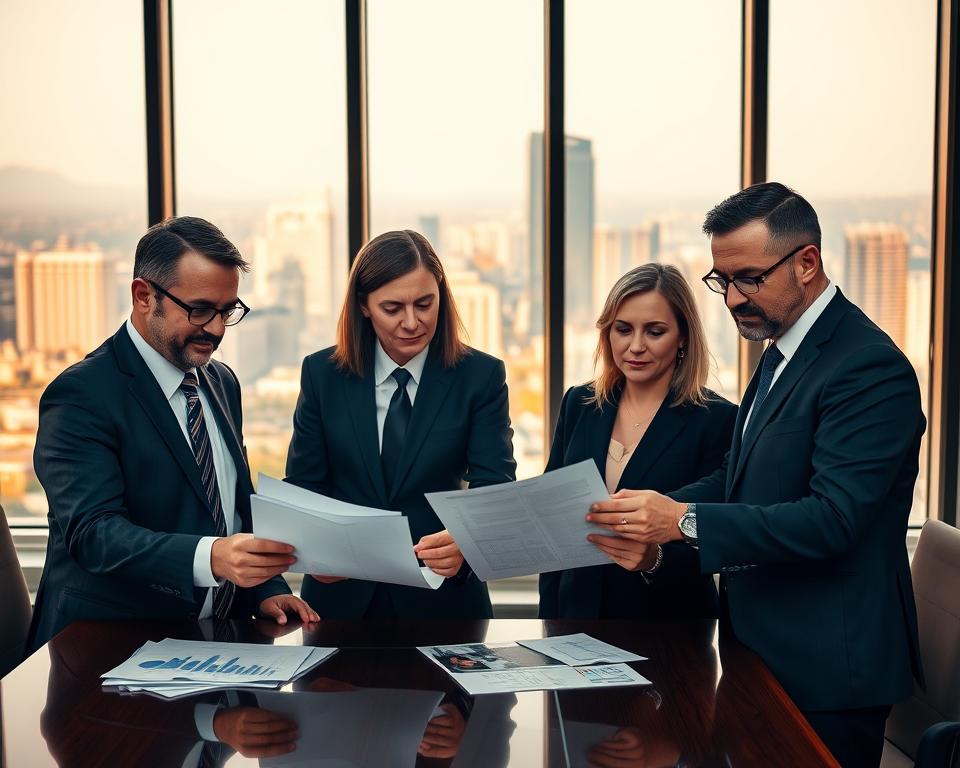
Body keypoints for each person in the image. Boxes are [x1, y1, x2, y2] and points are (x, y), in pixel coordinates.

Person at [585, 183, 925, 768]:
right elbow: (738, 478)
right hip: (761, 652)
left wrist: (683, 521)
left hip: (827, 672)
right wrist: (651, 518)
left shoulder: (869, 367)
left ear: (807, 263)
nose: (733, 298)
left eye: (749, 278)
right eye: (722, 281)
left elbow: (834, 520)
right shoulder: (781, 349)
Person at [27, 217, 317, 651]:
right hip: (106, 658)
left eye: (228, 310)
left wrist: (265, 587)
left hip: (217, 648)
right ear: (144, 296)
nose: (217, 329)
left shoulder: (221, 382)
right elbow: (94, 535)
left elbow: (229, 508)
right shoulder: (80, 395)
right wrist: (211, 557)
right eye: (200, 309)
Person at [285, 229, 516, 618]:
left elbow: (494, 487)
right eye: (392, 308)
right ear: (363, 305)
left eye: (425, 304)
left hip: (444, 600)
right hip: (339, 603)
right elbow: (305, 487)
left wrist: (465, 541)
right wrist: (315, 553)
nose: (412, 322)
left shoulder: (481, 376)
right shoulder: (322, 374)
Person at [539, 264, 736, 619]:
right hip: (575, 621)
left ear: (683, 338)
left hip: (668, 629)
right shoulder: (579, 404)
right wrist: (549, 621)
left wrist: (654, 559)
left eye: (655, 331)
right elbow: (555, 518)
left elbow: (715, 534)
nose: (636, 346)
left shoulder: (719, 421)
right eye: (623, 329)